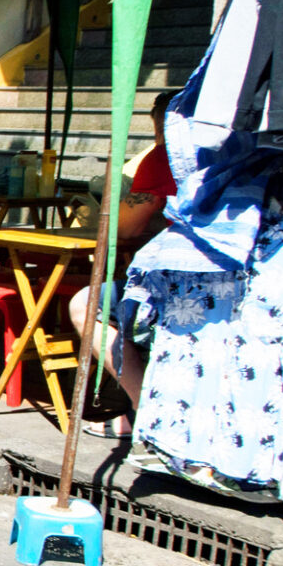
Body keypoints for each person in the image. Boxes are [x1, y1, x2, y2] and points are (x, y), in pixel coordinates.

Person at [70, 90, 179, 438]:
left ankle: (145, 410)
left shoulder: (164, 157)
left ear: (159, 122)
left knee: (86, 305)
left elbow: (126, 226)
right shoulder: (225, 155)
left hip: (179, 282)